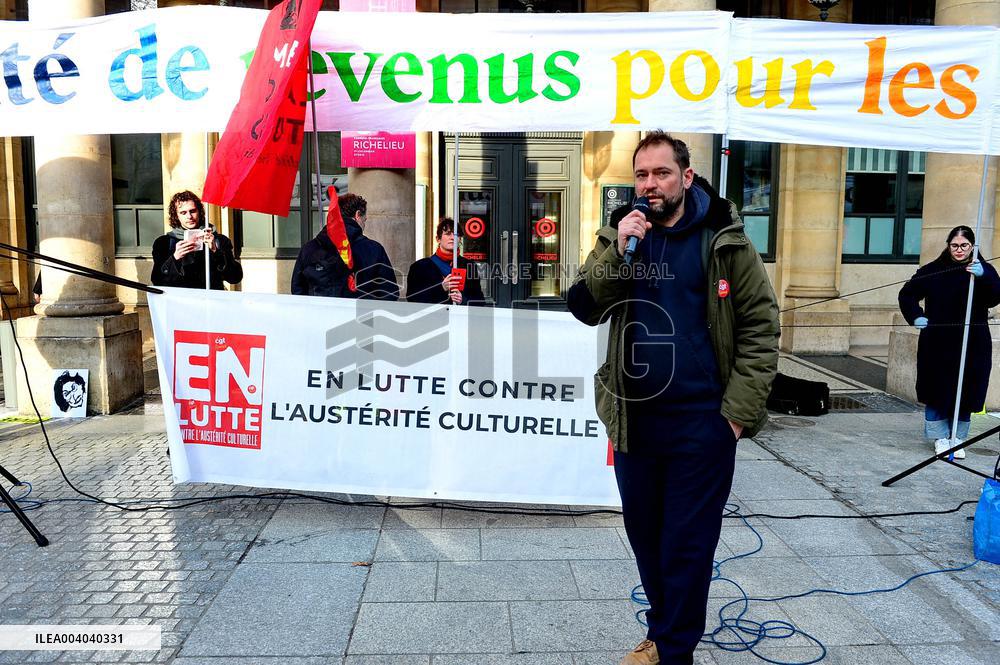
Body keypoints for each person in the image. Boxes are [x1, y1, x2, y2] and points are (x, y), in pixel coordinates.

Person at [567, 131, 779, 665]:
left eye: (661, 174)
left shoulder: (724, 239)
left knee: (687, 546)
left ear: (685, 177)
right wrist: (618, 248)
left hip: (704, 425)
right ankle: (663, 635)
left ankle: (672, 650)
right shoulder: (621, 234)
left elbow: (760, 327)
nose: (650, 185)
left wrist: (735, 417)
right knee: (647, 540)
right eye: (641, 175)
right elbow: (583, 305)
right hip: (636, 421)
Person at [898, 225, 1000, 459]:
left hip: (972, 340)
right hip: (938, 342)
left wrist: (984, 276)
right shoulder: (933, 270)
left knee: (967, 389)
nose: (959, 250)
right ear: (948, 245)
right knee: (938, 389)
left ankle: (957, 438)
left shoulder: (982, 270)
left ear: (972, 246)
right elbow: (908, 293)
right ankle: (940, 437)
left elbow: (996, 296)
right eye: (954, 245)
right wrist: (915, 315)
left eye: (964, 245)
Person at [291, 192, 399, 301]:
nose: (364, 224)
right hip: (361, 316)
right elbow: (390, 293)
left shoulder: (309, 248)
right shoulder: (373, 250)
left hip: (319, 315)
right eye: (364, 220)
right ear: (357, 215)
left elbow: (297, 290)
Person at [151, 190, 243, 290]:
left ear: (199, 211)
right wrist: (174, 258)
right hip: (181, 301)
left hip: (211, 300)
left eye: (193, 211)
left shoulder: (219, 240)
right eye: (183, 213)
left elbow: (235, 277)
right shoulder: (163, 243)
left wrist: (216, 252)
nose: (189, 216)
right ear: (176, 215)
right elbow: (157, 280)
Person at [406, 218, 485, 305]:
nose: (452, 238)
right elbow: (413, 299)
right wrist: (441, 288)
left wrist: (463, 300)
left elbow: (480, 301)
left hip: (459, 317)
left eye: (456, 234)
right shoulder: (419, 267)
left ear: (460, 240)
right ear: (438, 239)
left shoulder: (469, 265)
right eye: (447, 234)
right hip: (433, 317)